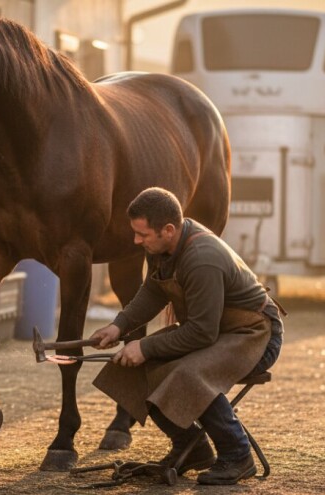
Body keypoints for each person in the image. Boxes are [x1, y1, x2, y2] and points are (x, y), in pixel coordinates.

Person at [90, 187, 284, 485]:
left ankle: (237, 455)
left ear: (168, 230)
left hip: (255, 334)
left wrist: (144, 346)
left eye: (142, 235)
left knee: (189, 373)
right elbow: (153, 290)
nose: (136, 241)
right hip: (216, 330)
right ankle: (192, 448)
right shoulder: (163, 247)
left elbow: (202, 333)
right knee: (138, 370)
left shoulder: (201, 258)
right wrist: (120, 326)